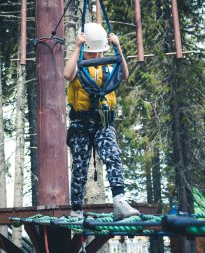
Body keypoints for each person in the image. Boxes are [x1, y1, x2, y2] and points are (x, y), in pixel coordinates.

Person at [64, 23, 140, 220]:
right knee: (80, 166)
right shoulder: (78, 64)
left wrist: (118, 47)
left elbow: (124, 75)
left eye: (99, 52)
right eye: (93, 52)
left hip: (103, 122)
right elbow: (67, 74)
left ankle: (120, 200)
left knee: (112, 154)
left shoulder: (108, 63)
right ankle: (76, 209)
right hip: (80, 124)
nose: (96, 56)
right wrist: (77, 47)